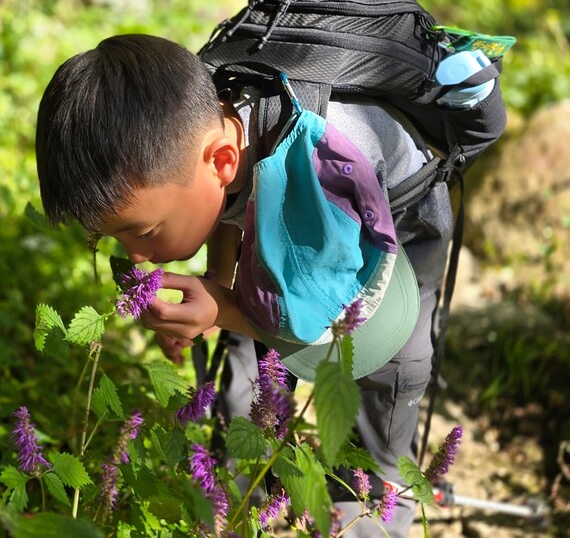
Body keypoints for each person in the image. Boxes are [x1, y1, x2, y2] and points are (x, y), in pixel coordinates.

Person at [35, 33, 453, 536]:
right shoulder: (210, 120)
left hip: (379, 263)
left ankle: (365, 515)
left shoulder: (315, 169)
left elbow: (327, 323)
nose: (137, 257)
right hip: (285, 227)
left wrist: (225, 309)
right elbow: (232, 203)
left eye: (142, 233)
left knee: (380, 406)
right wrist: (218, 282)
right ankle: (238, 498)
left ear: (221, 161)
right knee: (248, 383)